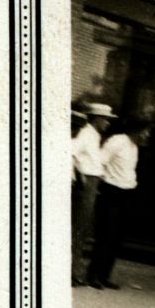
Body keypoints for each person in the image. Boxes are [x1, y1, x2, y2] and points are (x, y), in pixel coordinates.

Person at [85, 118, 145, 290]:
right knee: (106, 234)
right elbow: (100, 161)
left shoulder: (134, 147)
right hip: (112, 191)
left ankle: (104, 275)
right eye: (145, 131)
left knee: (117, 237)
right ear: (136, 130)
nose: (147, 135)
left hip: (126, 192)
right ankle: (93, 274)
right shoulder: (117, 141)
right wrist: (102, 183)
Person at [70, 103, 114, 286]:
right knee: (79, 227)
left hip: (92, 181)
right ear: (96, 118)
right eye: (105, 119)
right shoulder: (86, 134)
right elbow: (72, 153)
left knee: (83, 227)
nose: (107, 123)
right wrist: (79, 177)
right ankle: (71, 271)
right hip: (86, 181)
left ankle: (74, 270)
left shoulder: (94, 135)